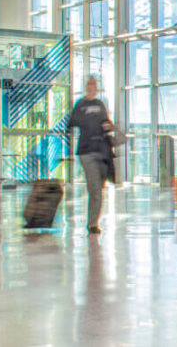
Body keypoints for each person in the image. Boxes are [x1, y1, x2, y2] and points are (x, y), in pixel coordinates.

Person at [66, 76, 116, 234]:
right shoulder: (80, 104)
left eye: (94, 84)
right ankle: (92, 224)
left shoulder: (100, 104)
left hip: (101, 151)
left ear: (97, 87)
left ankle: (94, 221)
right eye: (89, 83)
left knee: (99, 190)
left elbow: (106, 123)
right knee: (94, 187)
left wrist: (109, 128)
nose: (91, 86)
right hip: (86, 152)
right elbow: (72, 122)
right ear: (86, 86)